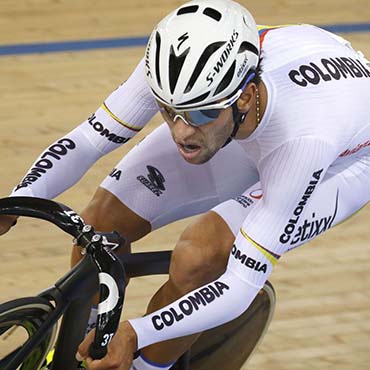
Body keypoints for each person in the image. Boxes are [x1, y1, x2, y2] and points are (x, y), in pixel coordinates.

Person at [1, 0, 370, 369]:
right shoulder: (176, 71)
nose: (181, 132)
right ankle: (81, 352)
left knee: (200, 255)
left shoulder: (304, 140)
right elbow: (89, 139)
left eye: (198, 113)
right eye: (168, 111)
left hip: (343, 160)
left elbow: (241, 284)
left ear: (243, 95)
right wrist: (18, 201)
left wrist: (137, 334)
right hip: (243, 127)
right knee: (99, 224)